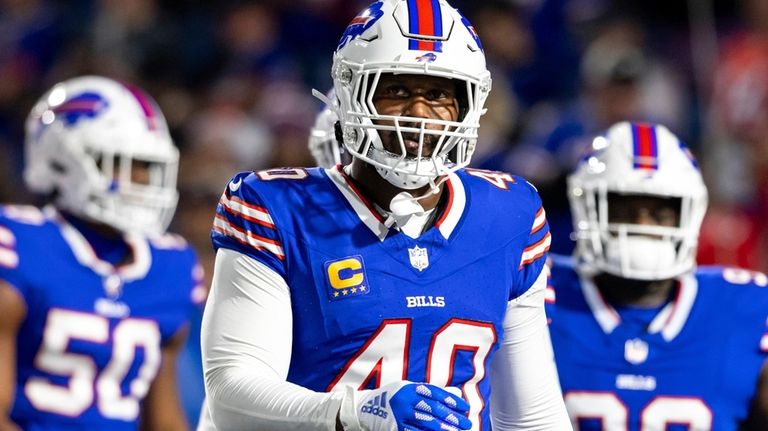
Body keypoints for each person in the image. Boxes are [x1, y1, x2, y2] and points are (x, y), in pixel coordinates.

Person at [200, 1, 571, 430]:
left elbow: (533, 415)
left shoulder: (509, 215)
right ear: (352, 91)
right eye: (396, 90)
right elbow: (232, 397)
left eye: (438, 95)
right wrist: (355, 413)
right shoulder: (277, 206)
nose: (418, 113)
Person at [0, 75, 204, 431]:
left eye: (147, 168)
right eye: (121, 164)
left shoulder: (171, 267)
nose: (140, 182)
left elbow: (163, 417)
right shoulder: (19, 246)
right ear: (61, 161)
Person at [548, 121, 768, 430]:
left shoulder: (745, 306)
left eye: (659, 212)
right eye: (625, 209)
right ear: (588, 206)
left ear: (689, 212)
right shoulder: (540, 292)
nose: (642, 225)